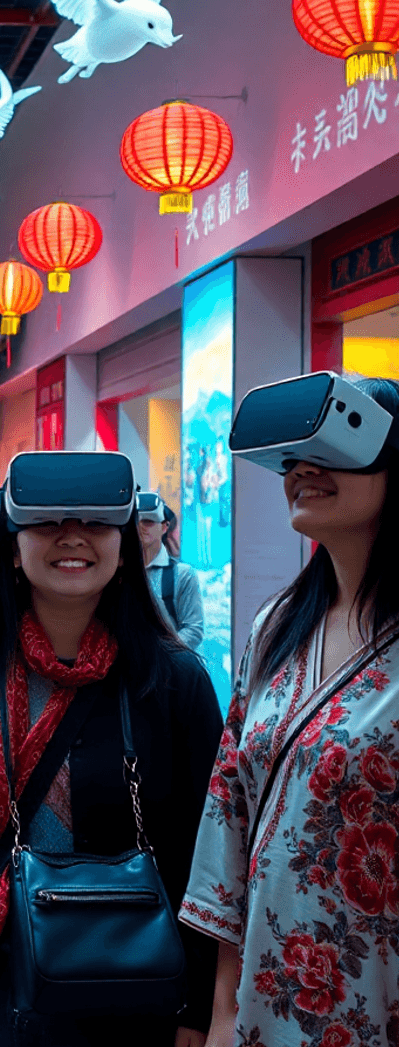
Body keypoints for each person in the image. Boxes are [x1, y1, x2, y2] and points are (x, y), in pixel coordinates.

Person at [0, 454, 223, 1047]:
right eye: (45, 523)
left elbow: (208, 846)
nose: (72, 537)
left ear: (124, 546)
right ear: (13, 548)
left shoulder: (173, 681)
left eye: (96, 523)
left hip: (136, 984)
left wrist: (196, 1000)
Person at [182, 374, 399, 1047]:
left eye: (332, 449)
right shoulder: (275, 626)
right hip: (271, 993)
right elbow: (230, 813)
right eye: (291, 458)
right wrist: (222, 1010)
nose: (303, 469)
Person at [137, 491, 204, 650]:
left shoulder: (182, 575)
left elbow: (194, 631)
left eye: (148, 521)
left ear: (164, 526)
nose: (140, 526)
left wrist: (158, 652)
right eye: (135, 520)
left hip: (167, 669)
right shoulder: (116, 572)